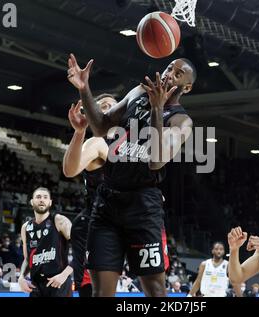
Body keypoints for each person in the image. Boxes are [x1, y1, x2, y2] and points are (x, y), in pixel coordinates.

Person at [67, 54, 196, 297]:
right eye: (170, 68)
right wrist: (84, 88)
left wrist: (158, 108)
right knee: (100, 293)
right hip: (107, 204)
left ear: (186, 87)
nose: (170, 74)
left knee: (155, 291)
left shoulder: (181, 121)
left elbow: (157, 161)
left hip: (143, 207)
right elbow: (101, 126)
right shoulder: (138, 93)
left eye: (178, 74)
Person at [63, 94, 117, 297]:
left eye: (114, 106)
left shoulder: (127, 143)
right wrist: (79, 132)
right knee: (94, 289)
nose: (110, 108)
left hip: (118, 222)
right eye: (104, 106)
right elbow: (69, 170)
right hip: (93, 223)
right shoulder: (97, 142)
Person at [18, 187, 73, 297]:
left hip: (58, 282)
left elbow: (82, 250)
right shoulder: (25, 227)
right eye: (38, 197)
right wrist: (21, 277)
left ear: (50, 202)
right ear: (32, 202)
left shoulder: (59, 220)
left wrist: (64, 275)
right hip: (36, 285)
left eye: (45, 197)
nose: (42, 200)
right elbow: (27, 259)